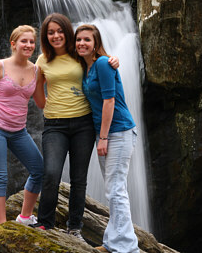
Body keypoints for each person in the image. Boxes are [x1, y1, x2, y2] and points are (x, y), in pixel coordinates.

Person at [31, 13, 118, 242]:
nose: (56, 36)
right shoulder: (42, 61)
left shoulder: (78, 55)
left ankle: (74, 227)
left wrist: (113, 60)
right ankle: (44, 223)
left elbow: (100, 61)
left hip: (83, 124)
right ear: (46, 36)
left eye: (60, 31)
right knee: (51, 173)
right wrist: (53, 105)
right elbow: (39, 98)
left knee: (79, 178)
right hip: (55, 125)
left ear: (67, 32)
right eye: (51, 32)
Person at [75, 24, 139, 253]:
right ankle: (114, 242)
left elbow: (109, 101)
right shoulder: (88, 67)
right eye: (78, 39)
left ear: (95, 44)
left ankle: (126, 248)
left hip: (118, 131)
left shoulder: (102, 63)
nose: (82, 43)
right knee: (114, 188)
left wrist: (103, 137)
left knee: (116, 188)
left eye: (87, 40)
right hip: (107, 133)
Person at [0, 25, 46, 225]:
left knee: (39, 170)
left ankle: (24, 218)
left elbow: (42, 102)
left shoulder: (36, 71)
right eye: (23, 41)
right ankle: (1, 225)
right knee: (0, 176)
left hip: (19, 131)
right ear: (13, 44)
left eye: (31, 42)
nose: (28, 45)